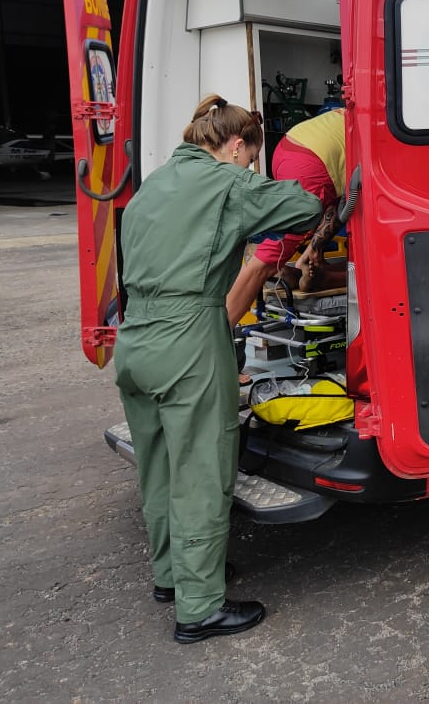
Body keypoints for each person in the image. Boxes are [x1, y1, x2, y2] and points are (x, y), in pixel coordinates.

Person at [113, 95, 322, 643]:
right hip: (188, 337)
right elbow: (302, 207)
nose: (249, 166)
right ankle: (200, 609)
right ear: (235, 146)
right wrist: (255, 187)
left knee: (157, 465)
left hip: (134, 342)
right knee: (201, 470)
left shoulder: (152, 186)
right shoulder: (228, 182)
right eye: (250, 157)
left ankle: (174, 578)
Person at [225, 107, 348, 325]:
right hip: (312, 165)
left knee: (279, 243)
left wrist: (313, 250)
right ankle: (221, 334)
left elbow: (340, 203)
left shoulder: (349, 114)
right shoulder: (385, 127)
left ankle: (295, 267)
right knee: (262, 263)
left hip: (286, 149)